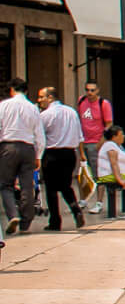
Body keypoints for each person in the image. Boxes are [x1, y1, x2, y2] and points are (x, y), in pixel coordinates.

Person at [0, 79, 43, 237]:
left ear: (12, 90)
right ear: (26, 91)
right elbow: (39, 133)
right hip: (28, 148)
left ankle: (13, 215)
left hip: (8, 147)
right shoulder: (33, 108)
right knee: (27, 186)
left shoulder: (3, 106)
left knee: (6, 185)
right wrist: (39, 155)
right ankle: (26, 223)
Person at [38, 87, 83, 231]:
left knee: (51, 189)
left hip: (52, 154)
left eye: (41, 97)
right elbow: (79, 135)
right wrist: (81, 154)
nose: (39, 100)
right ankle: (75, 209)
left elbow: (39, 136)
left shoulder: (45, 115)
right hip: (70, 153)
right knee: (66, 185)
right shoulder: (72, 112)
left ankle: (55, 221)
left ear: (50, 97)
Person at [76, 82, 111, 210]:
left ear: (97, 91)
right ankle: (83, 199)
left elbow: (108, 124)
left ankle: (99, 202)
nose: (89, 93)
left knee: (98, 173)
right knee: (83, 172)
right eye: (87, 90)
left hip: (96, 141)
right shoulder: (81, 101)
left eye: (92, 90)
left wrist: (100, 142)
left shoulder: (103, 104)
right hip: (83, 141)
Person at [97, 125, 125, 218]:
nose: (124, 136)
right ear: (114, 136)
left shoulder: (118, 146)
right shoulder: (110, 146)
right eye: (122, 134)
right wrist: (120, 180)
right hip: (108, 174)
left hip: (121, 174)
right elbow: (114, 164)